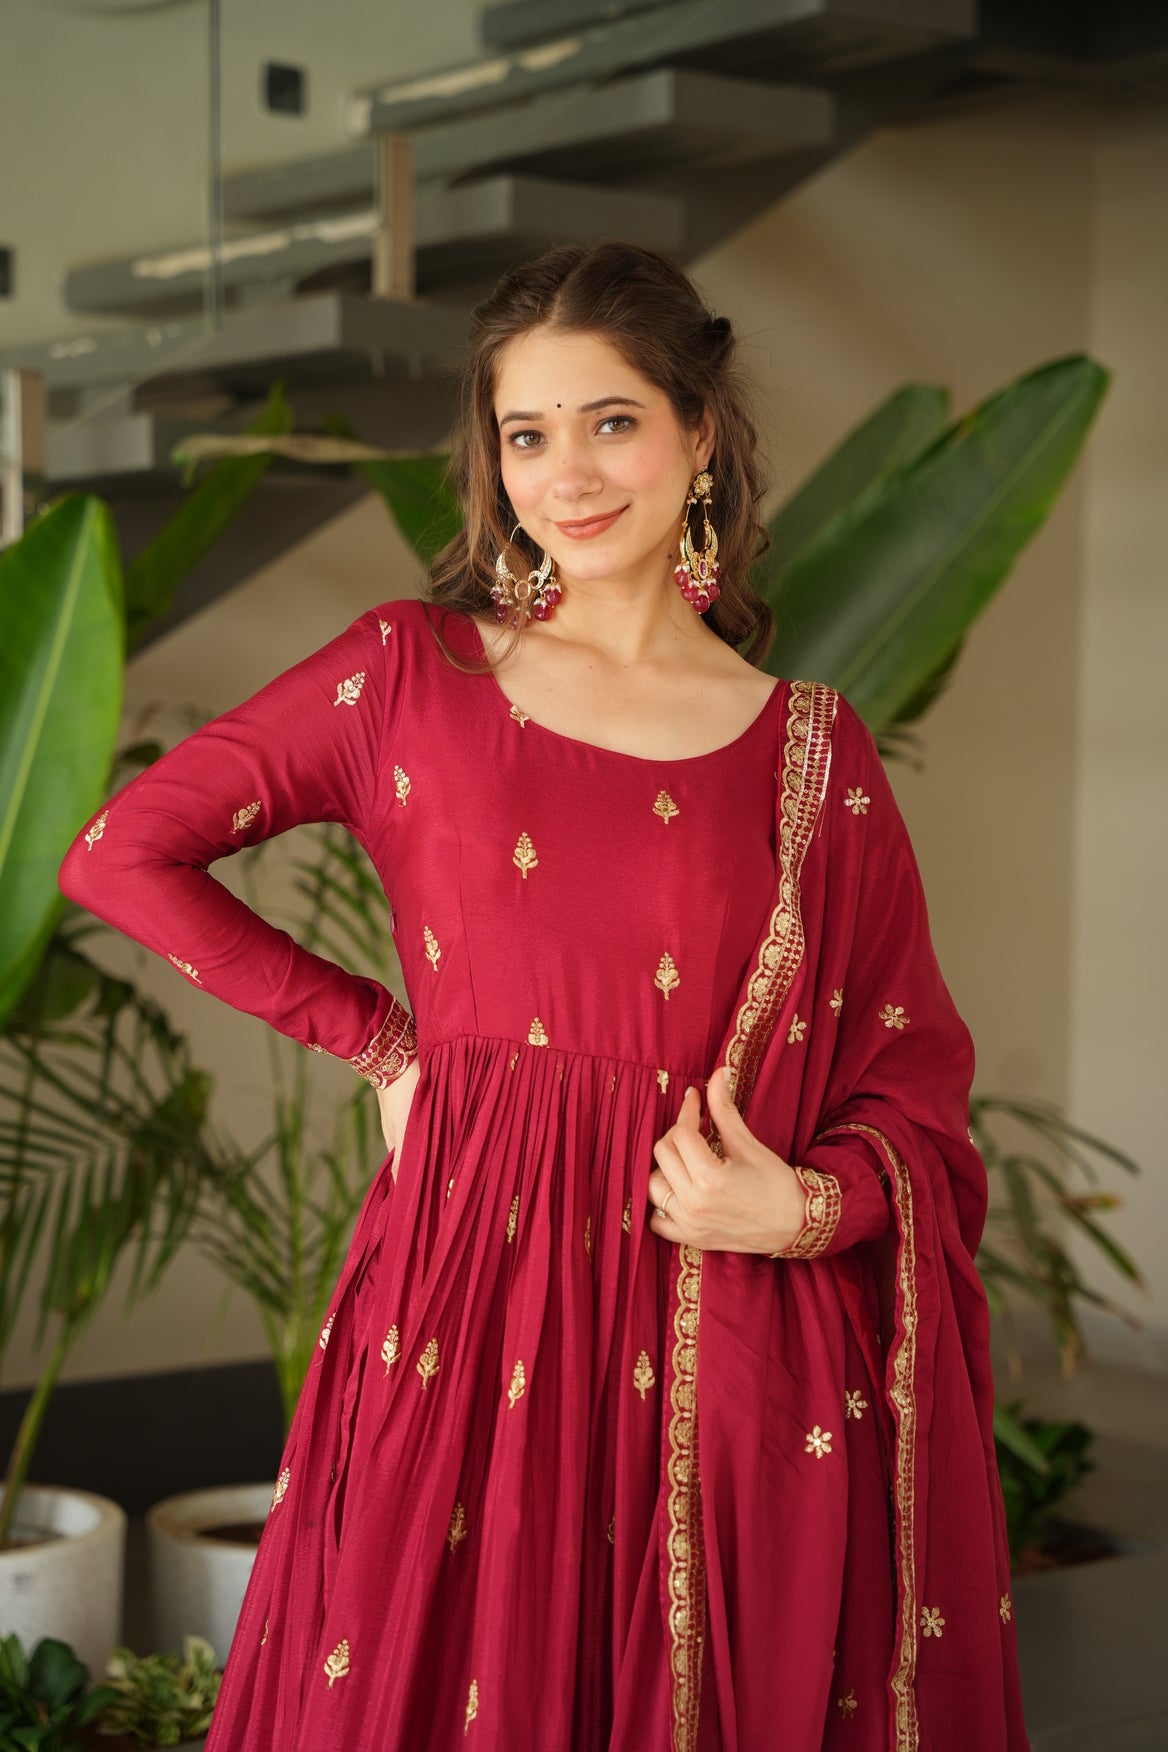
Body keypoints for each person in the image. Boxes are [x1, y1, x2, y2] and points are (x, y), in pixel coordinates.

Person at [58, 240, 1031, 1752]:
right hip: (468, 1296)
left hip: (725, 1324)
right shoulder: (409, 675)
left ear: (699, 432)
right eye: (527, 434)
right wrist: (377, 1042)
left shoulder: (808, 755)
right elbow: (124, 850)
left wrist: (811, 1211)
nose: (567, 474)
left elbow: (913, 1074)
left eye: (612, 422)